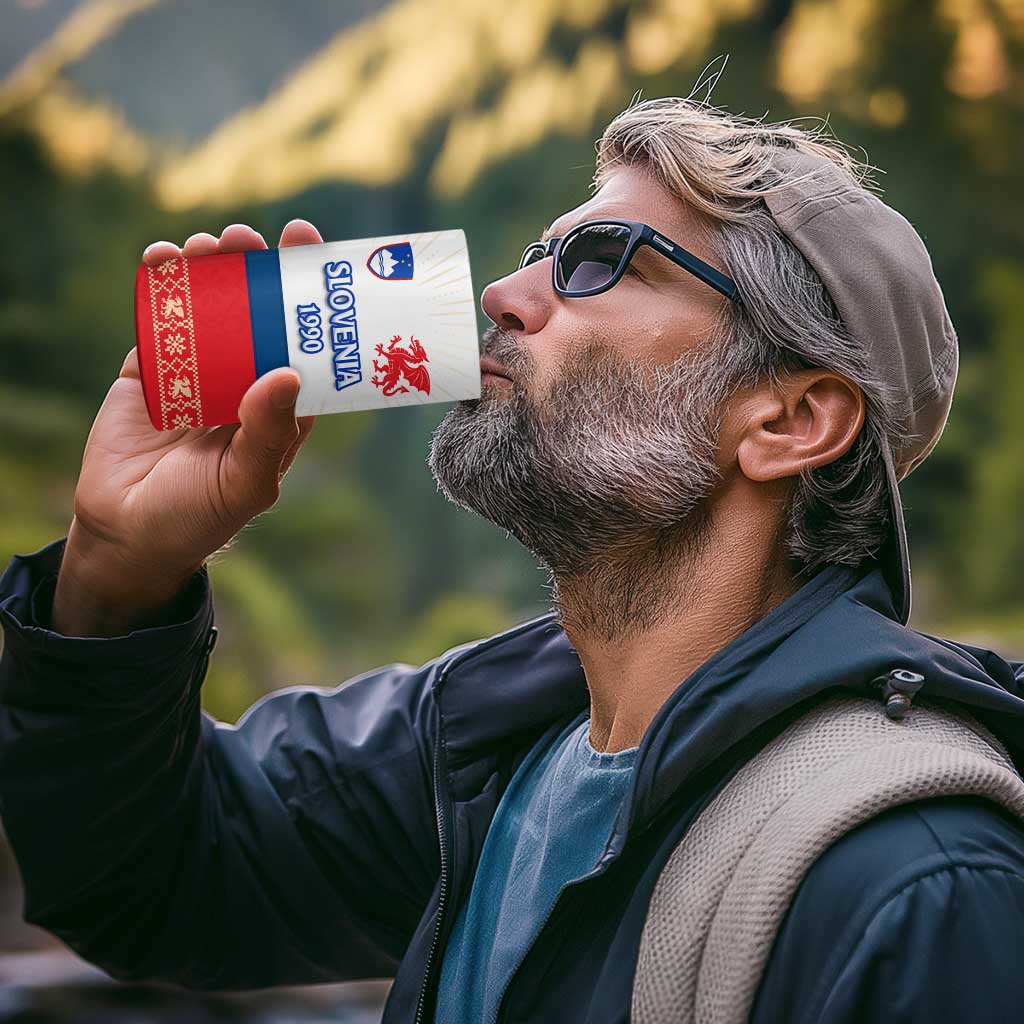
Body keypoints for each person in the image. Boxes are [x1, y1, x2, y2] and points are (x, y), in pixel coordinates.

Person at [2, 95, 1024, 1024]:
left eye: (600, 261)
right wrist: (115, 572)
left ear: (791, 419)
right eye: (541, 252)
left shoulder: (918, 884)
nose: (503, 291)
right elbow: (149, 880)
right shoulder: (480, 749)